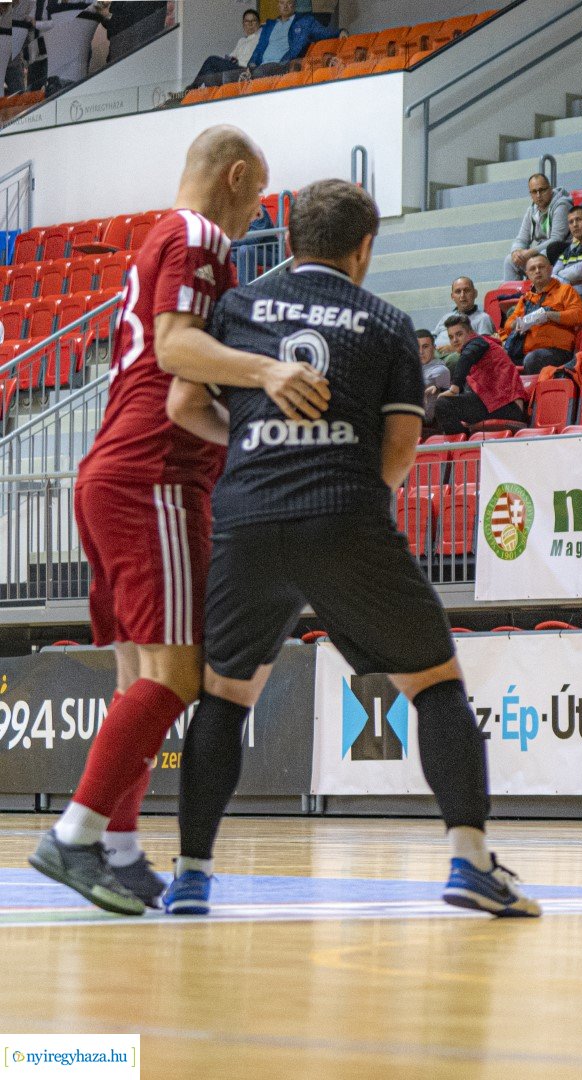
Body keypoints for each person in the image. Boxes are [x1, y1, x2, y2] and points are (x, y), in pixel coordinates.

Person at [160, 180, 540, 919]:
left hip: (246, 517)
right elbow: (399, 450)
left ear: (292, 236)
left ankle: (190, 874)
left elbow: (181, 404)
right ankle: (468, 862)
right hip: (344, 515)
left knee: (225, 697)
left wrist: (252, 441)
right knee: (435, 686)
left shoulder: (235, 310)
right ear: (364, 248)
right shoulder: (388, 322)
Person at [26, 126, 330, 917]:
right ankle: (75, 834)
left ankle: (118, 851)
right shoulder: (198, 235)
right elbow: (175, 352)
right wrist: (268, 373)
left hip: (112, 473)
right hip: (154, 477)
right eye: (256, 196)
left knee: (140, 677)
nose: (253, 213)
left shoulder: (158, 240)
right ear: (234, 177)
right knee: (179, 675)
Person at [434, 315, 528, 434]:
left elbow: (467, 357)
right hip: (494, 404)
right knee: (444, 402)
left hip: (508, 408)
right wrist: (440, 389)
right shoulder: (479, 350)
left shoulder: (479, 343)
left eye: (459, 334)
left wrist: (454, 389)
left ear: (470, 333)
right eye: (451, 337)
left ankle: (462, 448)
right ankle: (464, 445)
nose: (455, 340)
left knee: (444, 405)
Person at [501, 253, 582, 374]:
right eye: (532, 269)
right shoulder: (526, 298)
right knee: (496, 361)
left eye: (541, 267)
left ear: (550, 269)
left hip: (557, 351)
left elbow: (578, 315)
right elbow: (508, 324)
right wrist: (517, 324)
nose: (537, 271)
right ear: (527, 274)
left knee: (532, 359)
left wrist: (550, 315)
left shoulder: (565, 290)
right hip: (524, 352)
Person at [246, 0, 337, 79]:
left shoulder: (304, 22)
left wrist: (340, 32)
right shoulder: (269, 26)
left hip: (282, 64)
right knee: (232, 76)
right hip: (260, 67)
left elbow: (324, 32)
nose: (285, 6)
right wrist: (251, 65)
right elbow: (259, 48)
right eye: (282, 3)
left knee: (258, 73)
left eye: (289, 3)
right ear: (278, 5)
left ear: (294, 5)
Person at [507, 173, 572, 280]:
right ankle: (513, 296)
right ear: (530, 194)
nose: (538, 195)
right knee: (510, 260)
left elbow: (556, 239)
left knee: (539, 259)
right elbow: (521, 238)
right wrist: (515, 252)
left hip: (558, 251)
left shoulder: (562, 205)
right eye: (534, 192)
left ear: (550, 189)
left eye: (542, 190)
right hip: (540, 251)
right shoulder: (531, 210)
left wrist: (529, 252)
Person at [186, 7, 260, 89]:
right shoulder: (241, 41)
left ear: (258, 23)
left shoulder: (260, 38)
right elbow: (232, 56)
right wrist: (231, 59)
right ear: (243, 24)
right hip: (234, 67)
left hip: (245, 70)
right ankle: (205, 96)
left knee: (211, 60)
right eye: (247, 21)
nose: (250, 24)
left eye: (253, 21)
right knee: (210, 72)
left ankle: (191, 89)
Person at [430, 277, 494, 358]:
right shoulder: (446, 317)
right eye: (458, 292)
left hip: (456, 357)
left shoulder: (483, 318)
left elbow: (483, 347)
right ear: (452, 296)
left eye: (466, 290)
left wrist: (454, 348)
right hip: (433, 355)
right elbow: (433, 336)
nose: (462, 295)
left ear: (475, 293)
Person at [419, 329, 452, 429]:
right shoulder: (410, 368)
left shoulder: (441, 370)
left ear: (434, 348)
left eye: (425, 347)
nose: (420, 352)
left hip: (427, 424)